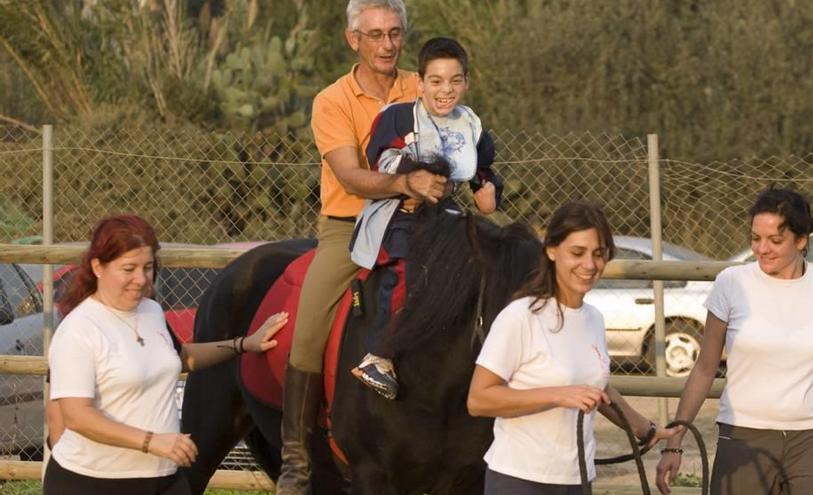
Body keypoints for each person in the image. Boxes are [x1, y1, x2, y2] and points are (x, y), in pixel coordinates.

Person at [278, 0, 448, 493]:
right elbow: (350, 176)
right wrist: (406, 183)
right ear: (354, 40)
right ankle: (296, 459)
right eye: (374, 35)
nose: (387, 45)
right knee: (307, 328)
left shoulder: (423, 85)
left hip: (423, 221)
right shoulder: (332, 100)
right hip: (349, 226)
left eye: (394, 33)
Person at [655, 186, 813, 495]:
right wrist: (675, 441)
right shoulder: (731, 283)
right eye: (755, 238)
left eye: (775, 240)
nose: (762, 249)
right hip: (743, 436)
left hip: (812, 438)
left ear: (801, 241)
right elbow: (705, 369)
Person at [44, 214, 288, 495]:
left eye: (147, 267)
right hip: (94, 481)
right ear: (98, 266)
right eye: (128, 268)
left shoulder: (151, 311)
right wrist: (151, 441)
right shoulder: (79, 329)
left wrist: (244, 344)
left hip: (164, 478)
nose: (141, 278)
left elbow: (181, 356)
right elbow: (77, 416)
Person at [467, 202, 680, 494]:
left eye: (599, 253)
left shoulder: (593, 318)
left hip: (577, 478)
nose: (589, 265)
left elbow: (598, 389)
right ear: (552, 251)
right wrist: (558, 395)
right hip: (519, 479)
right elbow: (479, 400)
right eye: (577, 253)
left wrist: (648, 430)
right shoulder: (521, 316)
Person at [349, 36, 503, 400]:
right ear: (419, 83)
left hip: (449, 217)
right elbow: (382, 163)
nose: (445, 90)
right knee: (410, 266)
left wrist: (489, 190)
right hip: (402, 213)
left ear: (466, 82)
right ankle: (379, 355)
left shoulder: (472, 126)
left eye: (454, 80)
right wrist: (412, 175)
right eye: (436, 81)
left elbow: (482, 172)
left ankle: (490, 355)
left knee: (495, 262)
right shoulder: (399, 119)